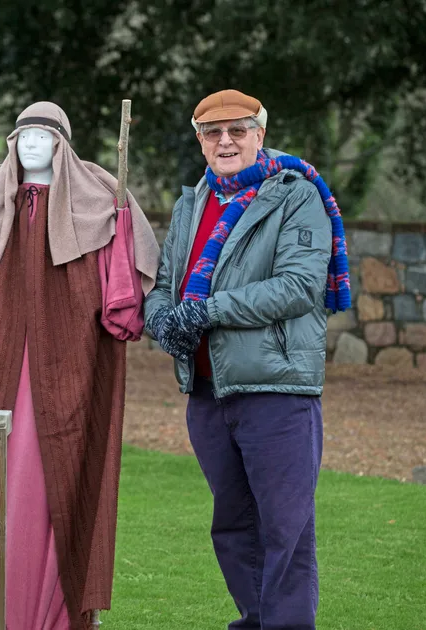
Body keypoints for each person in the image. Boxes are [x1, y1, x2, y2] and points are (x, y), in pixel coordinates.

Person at [0, 102, 161, 629]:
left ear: (63, 145)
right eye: (24, 135)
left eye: (44, 135)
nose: (32, 143)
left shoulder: (101, 200)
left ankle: (56, 612)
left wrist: (118, 244)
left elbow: (121, 290)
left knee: (64, 483)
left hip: (69, 378)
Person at [143, 89, 351, 630]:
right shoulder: (191, 204)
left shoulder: (296, 196)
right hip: (209, 392)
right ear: (200, 141)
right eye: (213, 132)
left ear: (260, 134)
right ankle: (255, 622)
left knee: (286, 530)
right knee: (233, 527)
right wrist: (162, 318)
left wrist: (204, 311)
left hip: (277, 390)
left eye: (237, 130)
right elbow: (165, 286)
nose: (225, 141)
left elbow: (299, 286)